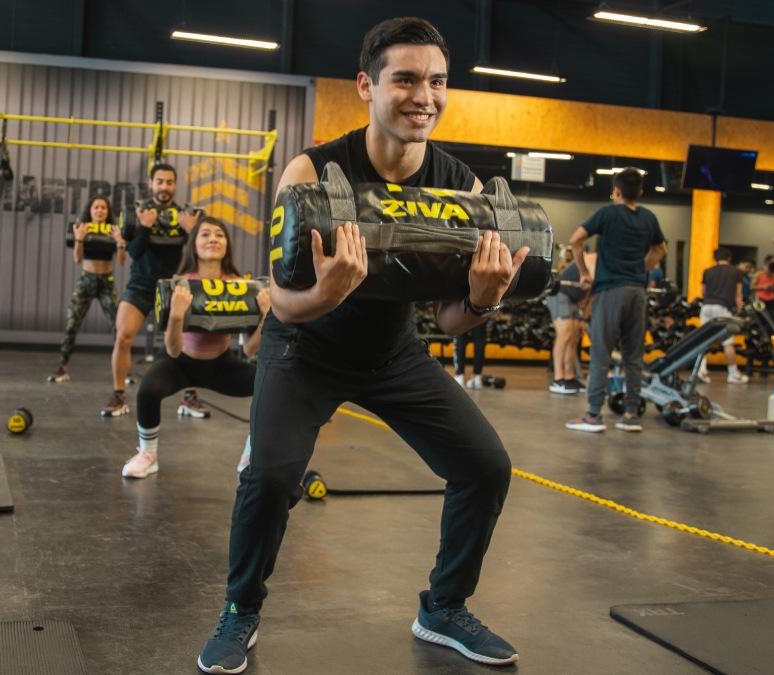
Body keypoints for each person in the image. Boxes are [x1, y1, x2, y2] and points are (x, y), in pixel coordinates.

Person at [196, 18, 524, 673]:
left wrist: (486, 298)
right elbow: (278, 300)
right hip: (304, 346)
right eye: (405, 78)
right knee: (272, 475)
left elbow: (451, 318)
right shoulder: (313, 170)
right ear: (366, 86)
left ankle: (443, 607)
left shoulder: (462, 187)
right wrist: (326, 293)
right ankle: (241, 609)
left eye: (436, 81)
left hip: (393, 352)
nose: (423, 95)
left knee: (486, 466)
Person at [121, 216, 268, 478]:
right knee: (148, 391)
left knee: (270, 386)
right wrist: (177, 316)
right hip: (180, 363)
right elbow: (172, 349)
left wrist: (265, 318)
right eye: (205, 234)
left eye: (219, 235)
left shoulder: (240, 286)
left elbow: (249, 351)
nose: (213, 239)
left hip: (221, 364)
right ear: (194, 245)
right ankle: (148, 454)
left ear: (226, 245)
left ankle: (252, 454)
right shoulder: (180, 284)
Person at [566, 168, 667, 433]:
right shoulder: (649, 217)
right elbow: (661, 249)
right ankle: (631, 415)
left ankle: (593, 415)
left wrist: (585, 273)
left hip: (610, 292)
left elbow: (575, 240)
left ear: (617, 191)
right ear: (641, 192)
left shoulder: (607, 213)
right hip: (637, 293)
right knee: (634, 357)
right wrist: (642, 269)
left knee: (601, 354)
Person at [105, 163, 203, 417]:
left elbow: (198, 256)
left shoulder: (185, 216)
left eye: (169, 182)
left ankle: (189, 396)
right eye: (159, 181)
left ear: (175, 185)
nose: (164, 187)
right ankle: (118, 396)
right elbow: (134, 252)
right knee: (123, 335)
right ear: (151, 184)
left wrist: (191, 232)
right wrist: (144, 227)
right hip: (141, 284)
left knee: (188, 342)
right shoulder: (139, 213)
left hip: (174, 287)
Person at [48, 196, 125, 383]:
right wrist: (79, 240)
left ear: (108, 212)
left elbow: (122, 262)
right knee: (71, 323)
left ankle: (124, 372)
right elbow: (77, 259)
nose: (100, 211)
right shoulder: (82, 228)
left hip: (106, 282)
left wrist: (120, 242)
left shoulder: (114, 231)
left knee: (119, 327)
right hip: (86, 280)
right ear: (90, 211)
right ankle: (62, 368)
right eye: (96, 207)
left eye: (103, 208)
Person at [696, 247, 748, 384]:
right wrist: (739, 309)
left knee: (704, 341)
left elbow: (703, 292)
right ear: (729, 258)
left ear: (716, 258)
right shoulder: (735, 272)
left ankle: (701, 370)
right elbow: (738, 295)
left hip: (706, 307)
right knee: (728, 342)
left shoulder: (708, 271)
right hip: (722, 308)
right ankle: (733, 374)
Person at [549, 247, 587, 394]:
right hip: (561, 293)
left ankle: (569, 377)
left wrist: (584, 316)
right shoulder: (595, 261)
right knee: (564, 335)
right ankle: (558, 380)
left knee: (573, 337)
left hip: (575, 298)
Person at [451, 324, 487, 388]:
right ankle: (477, 377)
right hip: (480, 315)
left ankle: (459, 376)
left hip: (462, 315)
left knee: (460, 339)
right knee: (479, 339)